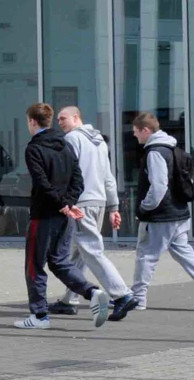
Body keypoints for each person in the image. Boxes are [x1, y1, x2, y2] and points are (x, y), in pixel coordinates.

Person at [14, 102, 110, 331]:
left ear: (32, 121)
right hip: (64, 215)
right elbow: (78, 180)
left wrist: (62, 204)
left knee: (34, 265)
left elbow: (42, 183)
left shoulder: (34, 148)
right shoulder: (64, 145)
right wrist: (68, 203)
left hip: (44, 215)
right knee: (59, 262)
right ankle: (92, 292)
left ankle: (39, 316)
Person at [130, 112, 194, 312]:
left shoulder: (155, 152)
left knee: (146, 255)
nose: (134, 136)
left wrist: (144, 207)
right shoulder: (174, 149)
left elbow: (158, 187)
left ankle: (137, 298)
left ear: (146, 130)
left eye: (136, 132)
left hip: (160, 216)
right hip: (179, 212)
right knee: (184, 253)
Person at [51, 106, 138, 322]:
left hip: (81, 202)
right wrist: (113, 207)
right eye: (58, 119)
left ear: (76, 117)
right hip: (97, 201)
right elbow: (108, 176)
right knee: (80, 253)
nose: (59, 123)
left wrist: (65, 201)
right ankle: (69, 300)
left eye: (63, 118)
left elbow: (67, 173)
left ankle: (122, 294)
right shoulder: (99, 142)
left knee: (91, 250)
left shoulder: (72, 139)